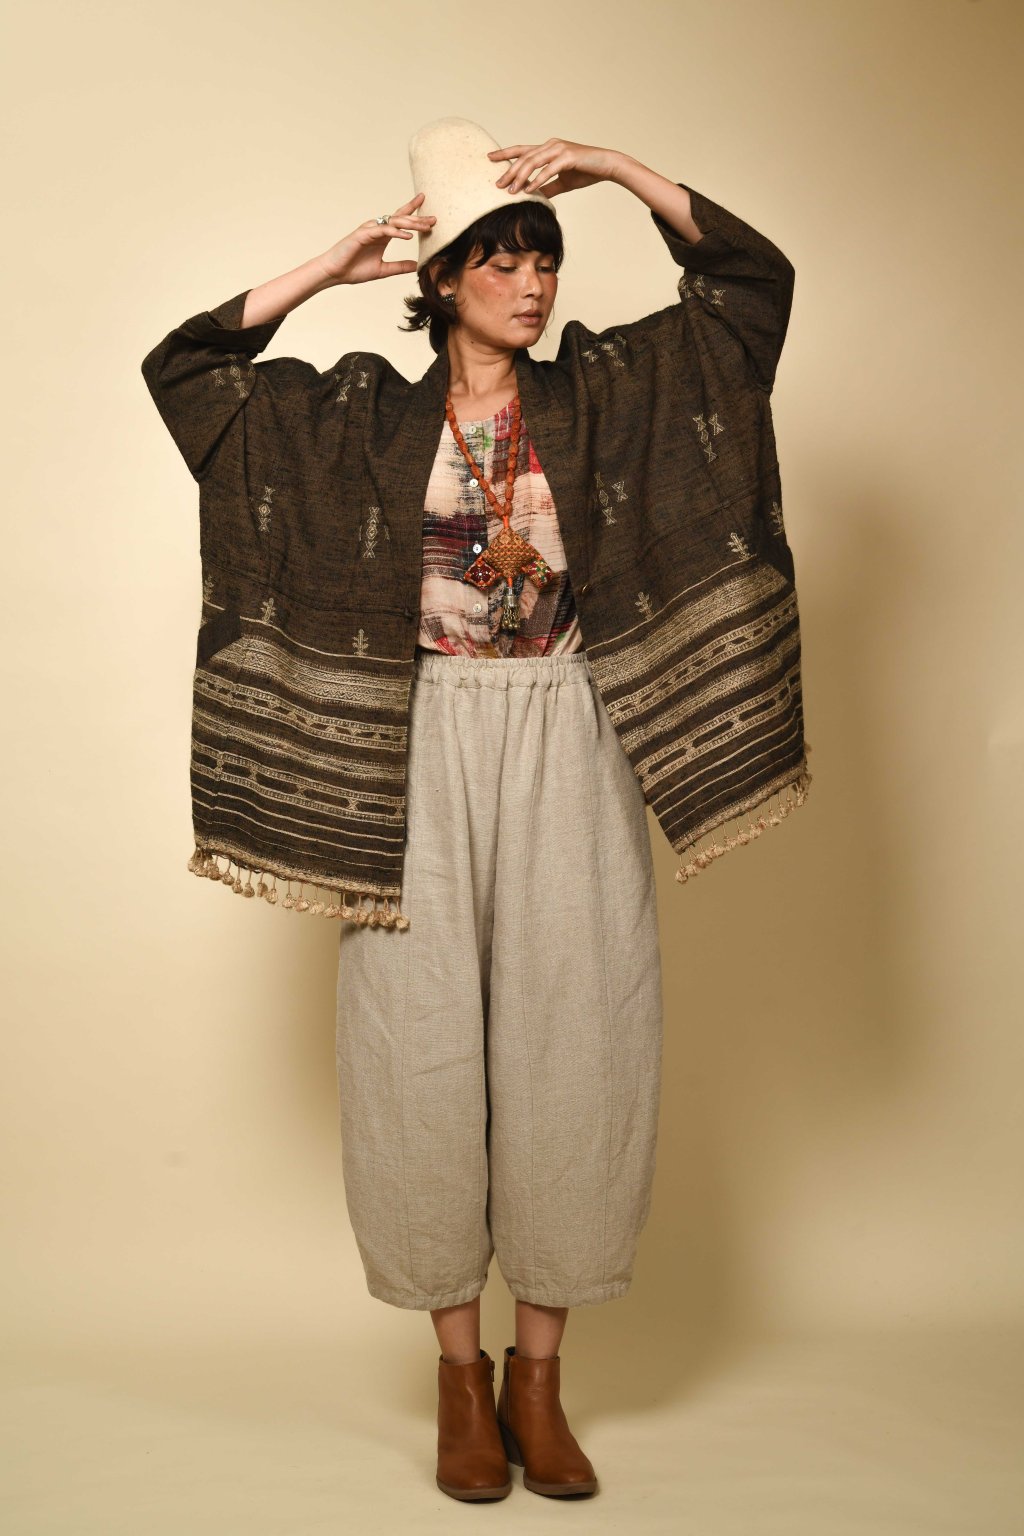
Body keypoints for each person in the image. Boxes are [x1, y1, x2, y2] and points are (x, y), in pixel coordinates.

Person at [141, 116, 802, 1504]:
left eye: (543, 260)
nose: (532, 283)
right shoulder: (359, 416)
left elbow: (751, 290)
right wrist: (329, 267)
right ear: (440, 279)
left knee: (581, 1037)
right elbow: (188, 371)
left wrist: (616, 169)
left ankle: (539, 1383)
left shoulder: (609, 392)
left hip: (570, 729)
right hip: (410, 740)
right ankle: (458, 1376)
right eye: (499, 261)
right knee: (416, 1043)